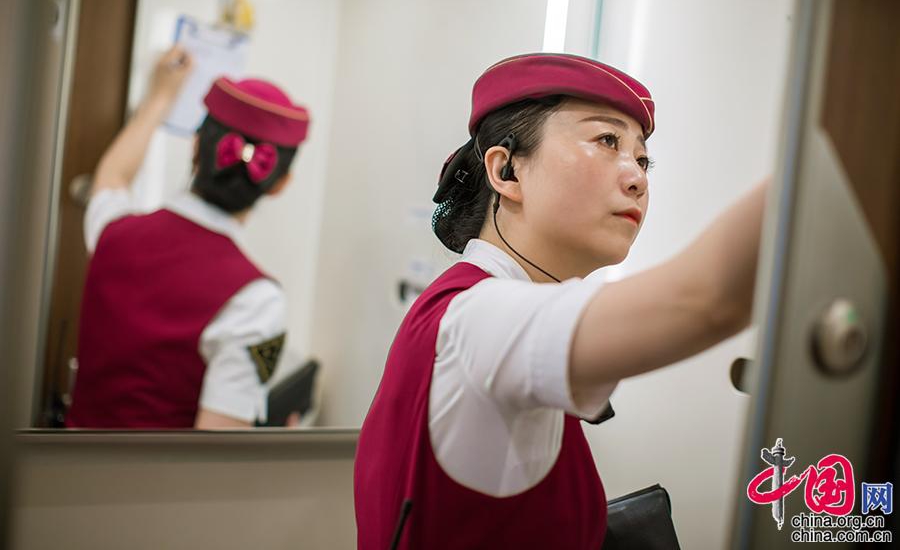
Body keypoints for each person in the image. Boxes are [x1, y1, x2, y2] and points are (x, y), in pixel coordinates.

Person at [354, 52, 767, 548]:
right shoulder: (479, 319)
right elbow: (705, 298)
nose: (637, 178)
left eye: (642, 159)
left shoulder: (481, 308)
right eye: (607, 141)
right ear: (507, 171)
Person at [66, 46, 311, 429]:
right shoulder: (257, 301)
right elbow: (216, 452)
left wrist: (160, 95)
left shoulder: (112, 230)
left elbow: (111, 177)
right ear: (280, 184)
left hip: (61, 463)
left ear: (195, 146)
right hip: (159, 473)